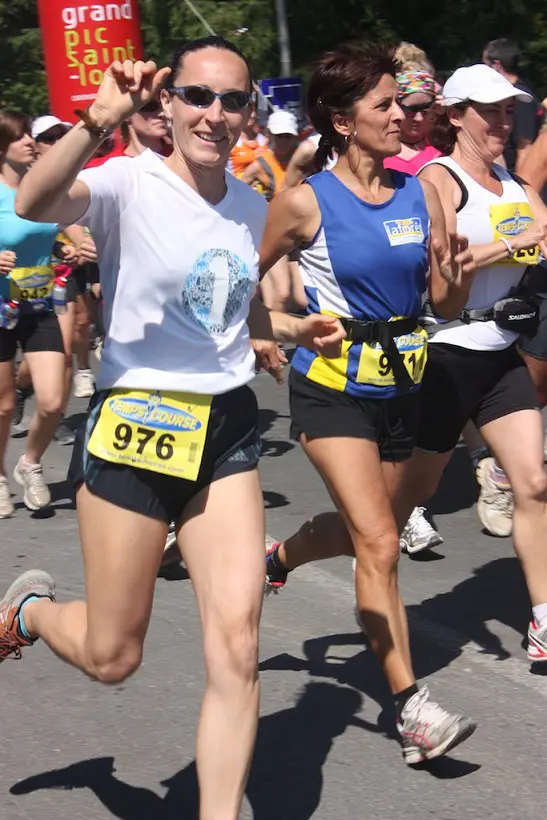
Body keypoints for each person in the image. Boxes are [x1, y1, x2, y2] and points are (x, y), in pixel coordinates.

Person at [1, 37, 344, 820]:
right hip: (134, 425)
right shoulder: (126, 182)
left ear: (248, 112)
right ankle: (31, 614)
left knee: (237, 648)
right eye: (197, 96)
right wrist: (96, 120)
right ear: (168, 102)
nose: (214, 115)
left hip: (224, 428)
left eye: (232, 101)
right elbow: (31, 205)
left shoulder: (251, 204)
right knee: (113, 656)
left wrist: (290, 329)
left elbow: (237, 302)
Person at [262, 42, 477, 763]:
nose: (401, 118)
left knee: (373, 530)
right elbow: (234, 285)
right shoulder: (303, 202)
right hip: (330, 390)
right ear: (342, 120)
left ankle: (278, 557)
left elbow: (441, 300)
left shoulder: (420, 192)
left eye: (400, 103)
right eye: (384, 105)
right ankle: (411, 709)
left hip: (401, 383)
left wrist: (453, 272)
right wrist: (282, 330)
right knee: (380, 544)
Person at [401, 64, 547, 662]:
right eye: (490, 112)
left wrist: (516, 246)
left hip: (499, 358)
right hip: (447, 357)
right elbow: (442, 285)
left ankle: (541, 621)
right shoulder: (439, 180)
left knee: (534, 482)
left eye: (510, 112)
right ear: (455, 115)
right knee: (392, 509)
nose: (503, 123)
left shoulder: (516, 184)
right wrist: (516, 244)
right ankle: (292, 554)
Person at [0, 110, 68, 516]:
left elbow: (50, 232)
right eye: (21, 136)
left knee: (53, 400)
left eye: (30, 134)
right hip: (0, 309)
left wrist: (65, 250)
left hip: (39, 303)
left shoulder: (39, 188)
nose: (31, 141)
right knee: (4, 406)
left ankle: (30, 464)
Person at [482, 38, 543, 173]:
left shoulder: (521, 100)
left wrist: (522, 189)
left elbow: (525, 149)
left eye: (485, 64)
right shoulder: (513, 95)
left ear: (496, 65)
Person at [227, 102, 267, 177]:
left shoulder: (265, 141)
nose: (249, 115)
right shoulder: (230, 142)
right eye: (245, 111)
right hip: (237, 186)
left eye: (251, 111)